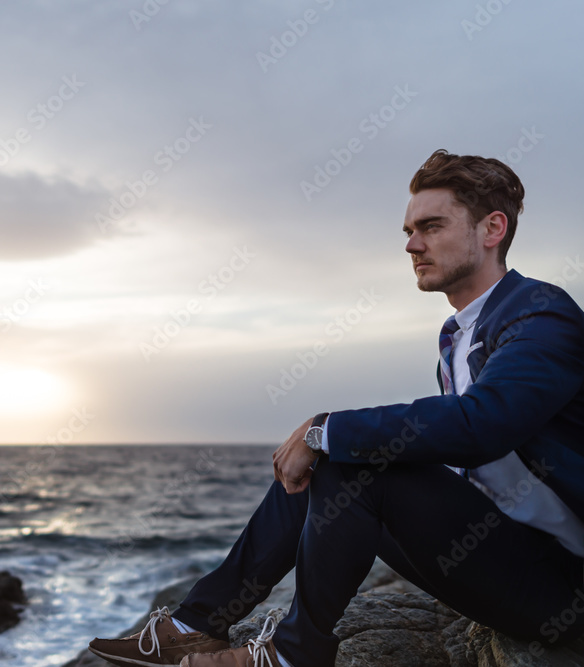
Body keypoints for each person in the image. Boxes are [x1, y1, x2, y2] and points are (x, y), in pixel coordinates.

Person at [87, 149, 584, 667]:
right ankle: (195, 625)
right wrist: (332, 442)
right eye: (409, 231)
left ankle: (293, 655)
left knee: (352, 458)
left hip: (564, 586)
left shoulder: (541, 315)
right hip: (503, 558)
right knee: (339, 458)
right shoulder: (457, 338)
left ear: (492, 229)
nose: (413, 244)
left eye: (432, 226)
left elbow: (484, 424)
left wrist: (324, 428)